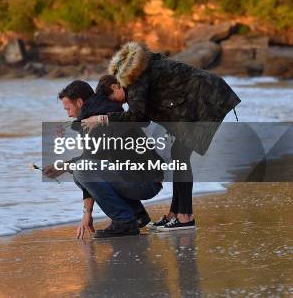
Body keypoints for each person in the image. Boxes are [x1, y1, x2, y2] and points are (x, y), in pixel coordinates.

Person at [83, 42, 241, 231]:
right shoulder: (141, 67)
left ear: (116, 86)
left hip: (208, 97)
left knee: (180, 156)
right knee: (178, 154)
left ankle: (185, 217)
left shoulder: (133, 78)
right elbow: (144, 116)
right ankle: (176, 214)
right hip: (203, 96)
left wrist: (102, 119)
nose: (121, 103)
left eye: (115, 100)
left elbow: (137, 115)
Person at [46, 77, 163, 239]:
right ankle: (136, 215)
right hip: (146, 178)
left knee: (81, 171)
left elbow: (89, 167)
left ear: (79, 103)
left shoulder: (95, 119)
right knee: (83, 169)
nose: (69, 114)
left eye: (68, 108)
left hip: (145, 183)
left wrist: (87, 213)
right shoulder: (101, 110)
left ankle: (124, 221)